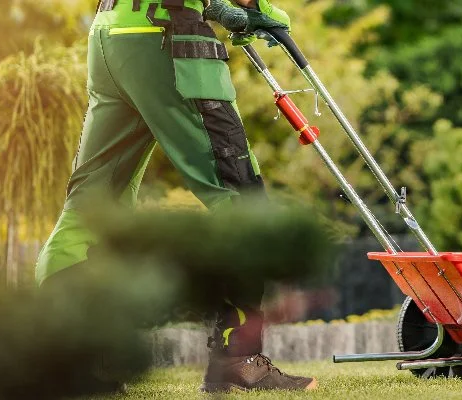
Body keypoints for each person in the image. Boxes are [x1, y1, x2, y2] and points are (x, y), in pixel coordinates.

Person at [35, 0, 317, 392]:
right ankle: (239, 359)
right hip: (168, 37)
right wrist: (257, 8)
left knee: (93, 202)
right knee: (239, 197)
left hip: (110, 36)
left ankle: (67, 358)